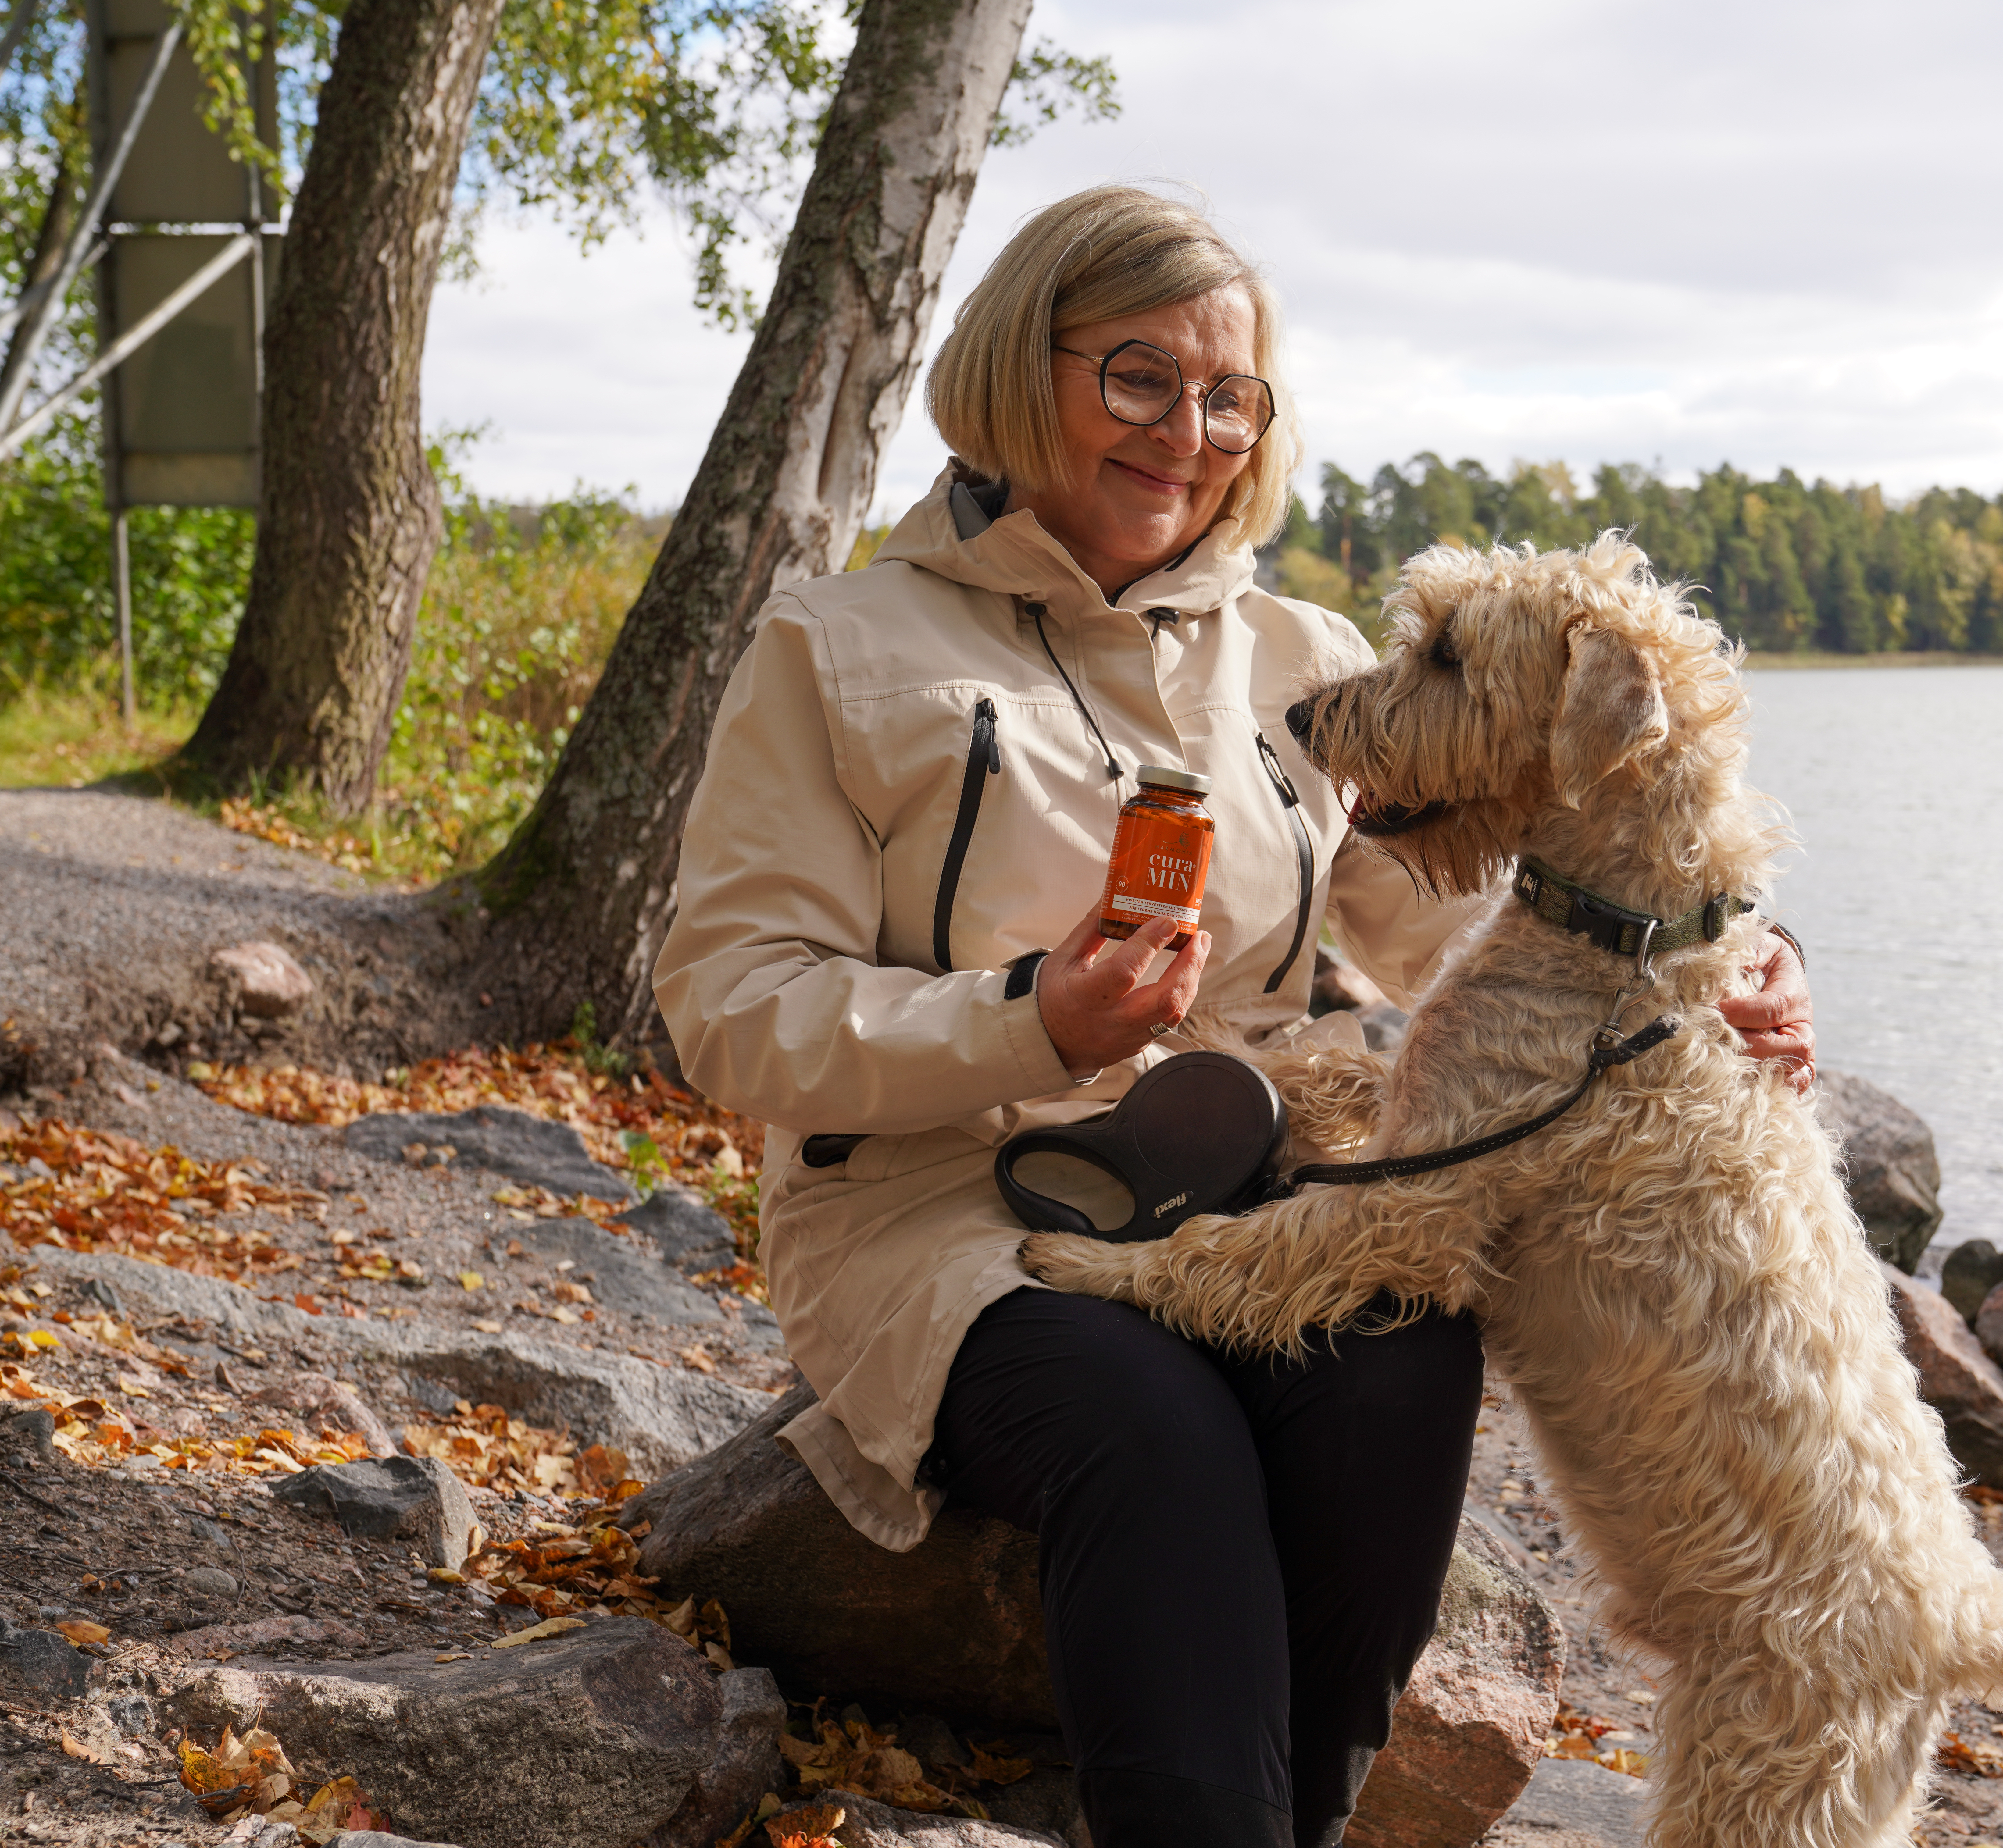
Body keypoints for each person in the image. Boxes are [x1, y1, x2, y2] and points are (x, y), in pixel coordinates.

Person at [653, 185, 1815, 1848]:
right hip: (940, 1220)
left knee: (1398, 1355)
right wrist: (1029, 1019)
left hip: (1259, 1198)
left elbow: (1478, 934)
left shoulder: (1307, 658)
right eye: (1135, 376)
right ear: (1016, 367)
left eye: (1227, 396)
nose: (1185, 432)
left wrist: (1725, 964)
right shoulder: (834, 646)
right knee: (1151, 1425)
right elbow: (731, 1014)